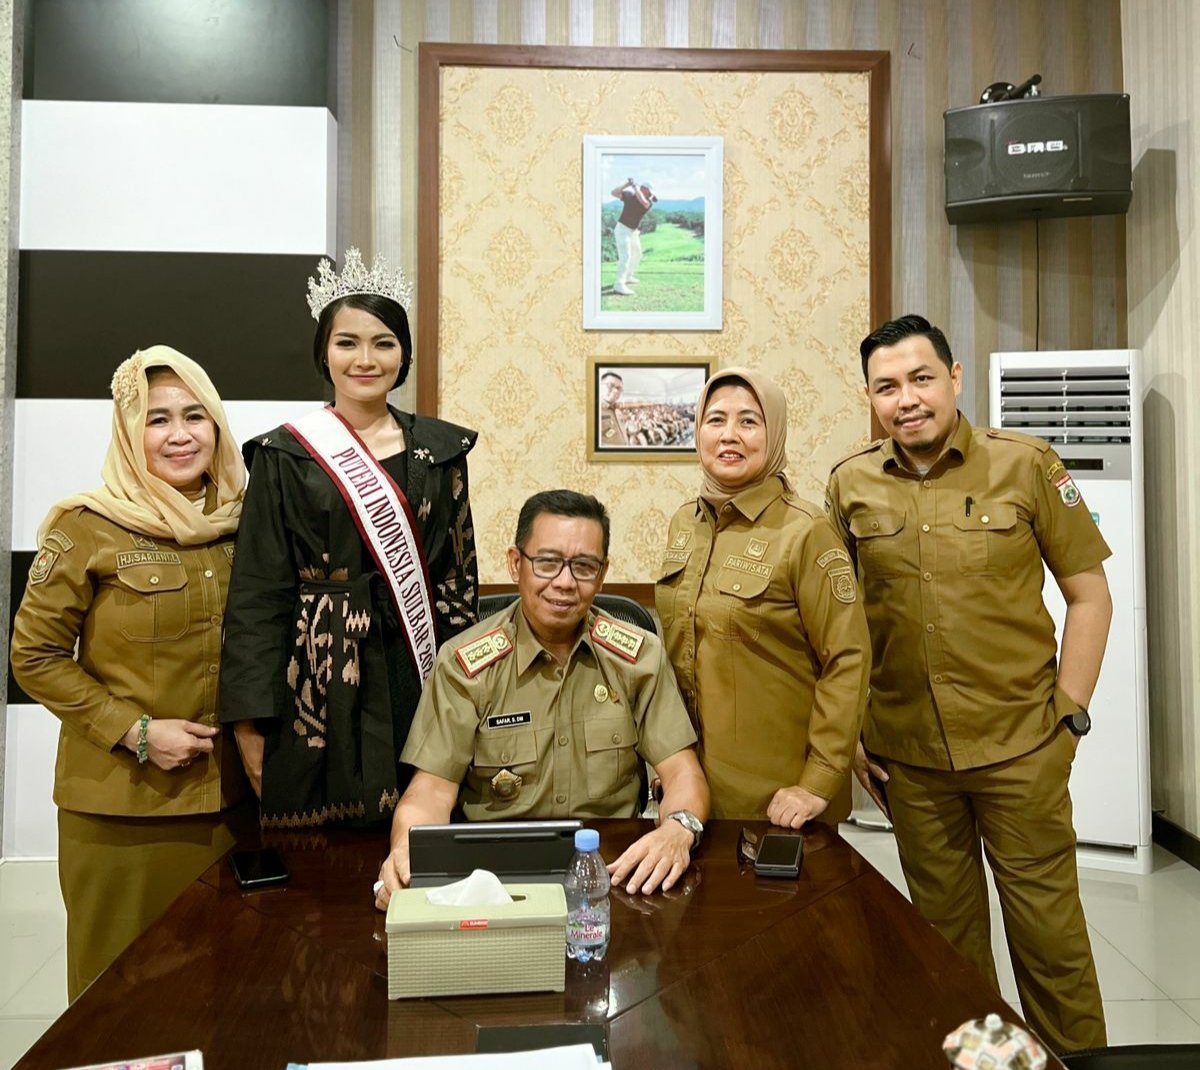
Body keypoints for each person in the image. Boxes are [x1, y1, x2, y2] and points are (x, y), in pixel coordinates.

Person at [825, 314, 1112, 1053]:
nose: (907, 399)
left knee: (1051, 944)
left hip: (1022, 748)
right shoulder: (850, 484)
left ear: (954, 378)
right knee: (946, 952)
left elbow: (1089, 595)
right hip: (911, 762)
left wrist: (1070, 716)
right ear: (869, 397)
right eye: (887, 387)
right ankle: (982, 1068)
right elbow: (837, 626)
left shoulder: (1026, 465)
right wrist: (850, 734)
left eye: (921, 378)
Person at [10, 346, 247, 1000]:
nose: (179, 435)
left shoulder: (248, 523)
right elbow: (34, 656)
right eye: (157, 419)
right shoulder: (87, 527)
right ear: (128, 430)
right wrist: (136, 732)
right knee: (118, 1000)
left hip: (233, 806)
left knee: (223, 995)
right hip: (123, 810)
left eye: (195, 416)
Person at [220, 248, 478, 829]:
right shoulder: (284, 454)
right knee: (320, 856)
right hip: (314, 680)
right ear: (324, 352)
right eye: (347, 343)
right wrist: (249, 723)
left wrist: (469, 699)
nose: (366, 359)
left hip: (419, 671)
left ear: (403, 354)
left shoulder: (441, 451)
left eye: (384, 343)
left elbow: (458, 585)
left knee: (423, 836)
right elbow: (257, 595)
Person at [376, 489, 709, 907]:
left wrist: (678, 828)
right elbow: (430, 793)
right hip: (494, 882)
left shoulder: (638, 657)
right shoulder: (465, 665)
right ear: (516, 563)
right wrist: (407, 853)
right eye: (548, 563)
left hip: (612, 877)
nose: (565, 583)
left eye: (584, 566)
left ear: (602, 574)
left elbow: (682, 773)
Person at [655, 368, 870, 826]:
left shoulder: (805, 531)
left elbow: (848, 660)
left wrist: (818, 783)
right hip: (689, 794)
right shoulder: (684, 524)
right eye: (715, 420)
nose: (729, 435)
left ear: (774, 434)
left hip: (779, 802)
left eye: (749, 422)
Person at [610, 179, 655, 295]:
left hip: (633, 232)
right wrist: (627, 184)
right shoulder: (629, 195)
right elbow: (613, 193)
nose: (651, 196)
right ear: (644, 189)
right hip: (622, 229)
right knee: (625, 256)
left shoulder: (648, 203)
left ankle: (628, 276)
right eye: (650, 193)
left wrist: (635, 187)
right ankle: (619, 284)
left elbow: (643, 201)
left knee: (637, 253)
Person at [598, 370, 628, 446]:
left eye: (619, 388)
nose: (615, 391)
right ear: (600, 386)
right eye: (610, 385)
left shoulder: (618, 412)